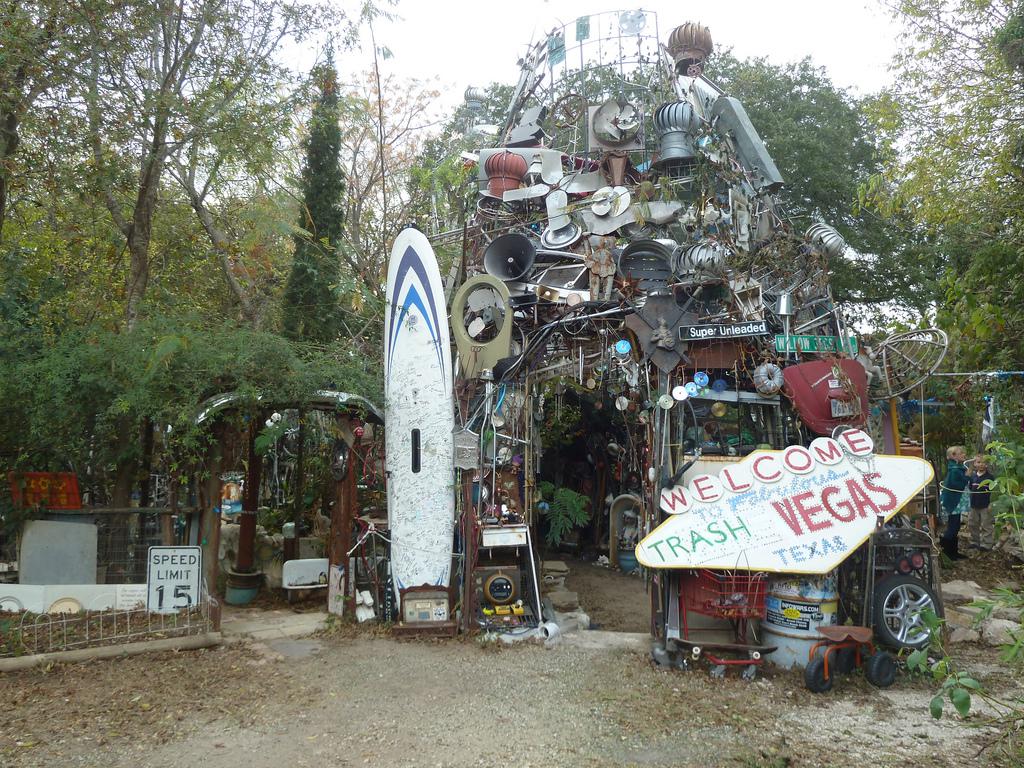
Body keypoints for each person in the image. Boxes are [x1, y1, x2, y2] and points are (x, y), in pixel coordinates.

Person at [939, 445, 969, 560]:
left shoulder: (958, 468)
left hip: (957, 502)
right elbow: (957, 485)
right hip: (954, 502)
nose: (964, 455)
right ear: (954, 456)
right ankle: (946, 552)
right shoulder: (955, 470)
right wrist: (967, 476)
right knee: (953, 526)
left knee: (955, 526)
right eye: (961, 453)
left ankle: (953, 552)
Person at [968, 455, 996, 551]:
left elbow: (993, 493)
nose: (981, 464)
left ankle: (986, 544)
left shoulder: (990, 477)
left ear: (987, 464)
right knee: (972, 524)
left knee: (986, 525)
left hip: (985, 505)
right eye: (978, 462)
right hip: (973, 505)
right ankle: (974, 542)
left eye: (983, 462)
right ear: (975, 464)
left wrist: (991, 504)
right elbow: (970, 489)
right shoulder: (973, 476)